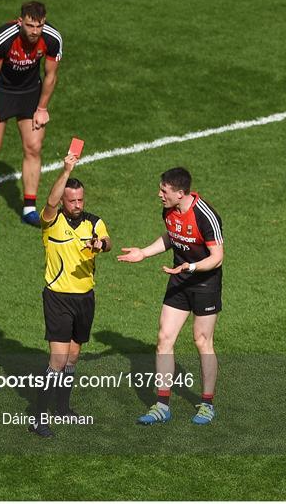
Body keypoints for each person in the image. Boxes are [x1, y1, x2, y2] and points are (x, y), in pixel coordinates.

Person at [118, 167, 223, 425]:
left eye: (164, 191)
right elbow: (172, 237)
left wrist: (192, 267)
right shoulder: (169, 209)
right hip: (179, 278)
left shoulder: (205, 216)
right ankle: (162, 405)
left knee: (202, 341)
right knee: (164, 338)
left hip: (205, 283)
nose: (159, 195)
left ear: (180, 193)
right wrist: (144, 252)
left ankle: (207, 404)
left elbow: (217, 258)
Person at [29, 154, 112, 437]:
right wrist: (66, 170)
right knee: (58, 359)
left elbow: (108, 242)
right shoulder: (51, 221)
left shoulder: (93, 222)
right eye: (72, 200)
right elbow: (50, 202)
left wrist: (101, 243)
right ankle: (38, 417)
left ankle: (62, 409)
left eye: (80, 199)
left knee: (73, 357)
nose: (78, 204)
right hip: (58, 298)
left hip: (84, 298)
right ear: (64, 201)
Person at [0, 1, 62, 231]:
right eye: (30, 26)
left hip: (29, 93)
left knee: (33, 147)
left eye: (39, 26)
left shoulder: (52, 38)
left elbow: (51, 75)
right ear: (20, 21)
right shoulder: (3, 38)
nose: (35, 31)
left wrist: (42, 108)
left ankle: (29, 209)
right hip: (1, 92)